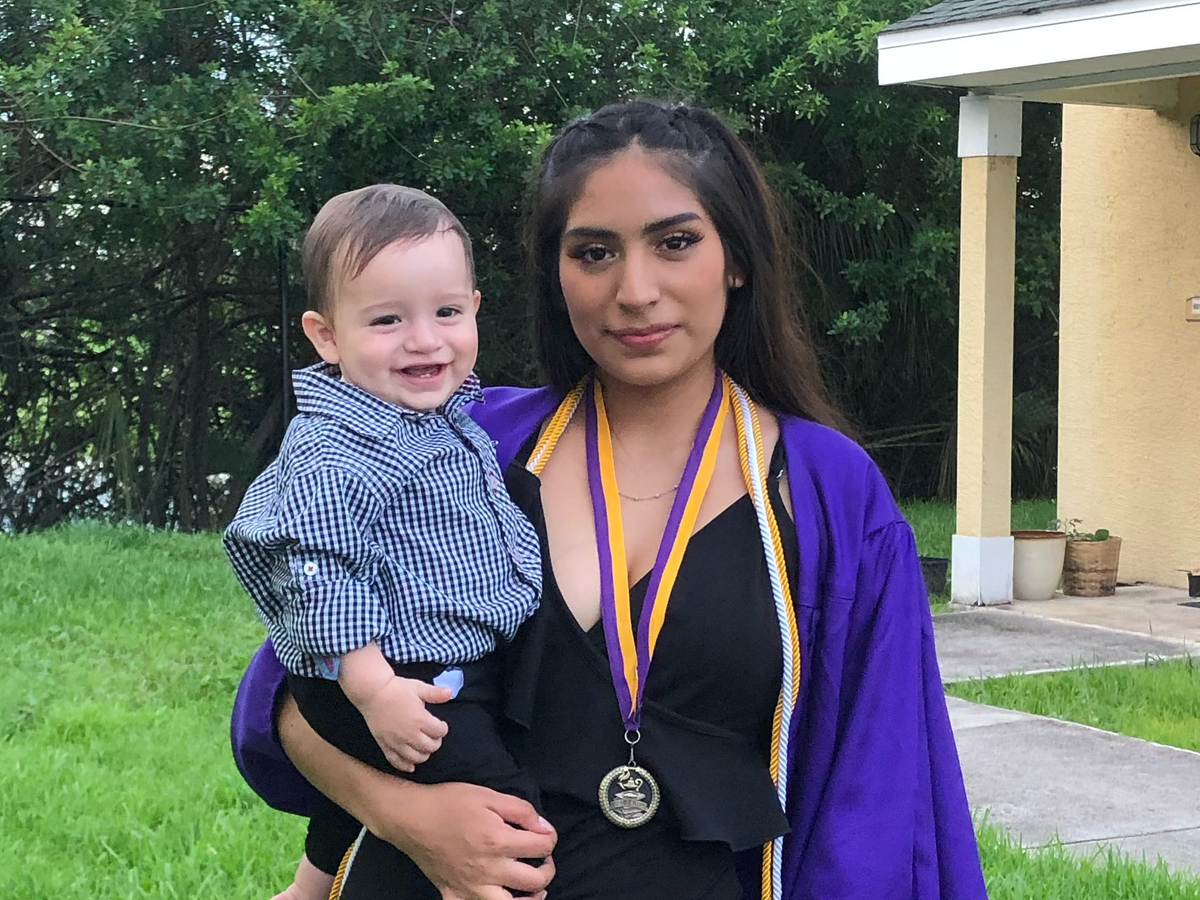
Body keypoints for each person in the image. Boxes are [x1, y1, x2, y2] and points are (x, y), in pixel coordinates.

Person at [231, 100, 988, 900]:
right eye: (594, 253)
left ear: (736, 258)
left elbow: (877, 791)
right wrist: (411, 820)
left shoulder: (828, 491)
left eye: (675, 243)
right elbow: (291, 699)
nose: (635, 291)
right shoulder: (461, 447)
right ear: (556, 275)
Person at [223, 184, 543, 900]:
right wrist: (374, 689)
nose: (424, 340)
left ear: (475, 310)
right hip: (391, 671)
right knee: (502, 807)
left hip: (427, 661)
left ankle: (307, 890)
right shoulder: (337, 450)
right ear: (327, 336)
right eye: (388, 319)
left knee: (357, 799)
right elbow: (318, 571)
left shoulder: (439, 417)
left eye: (447, 312)